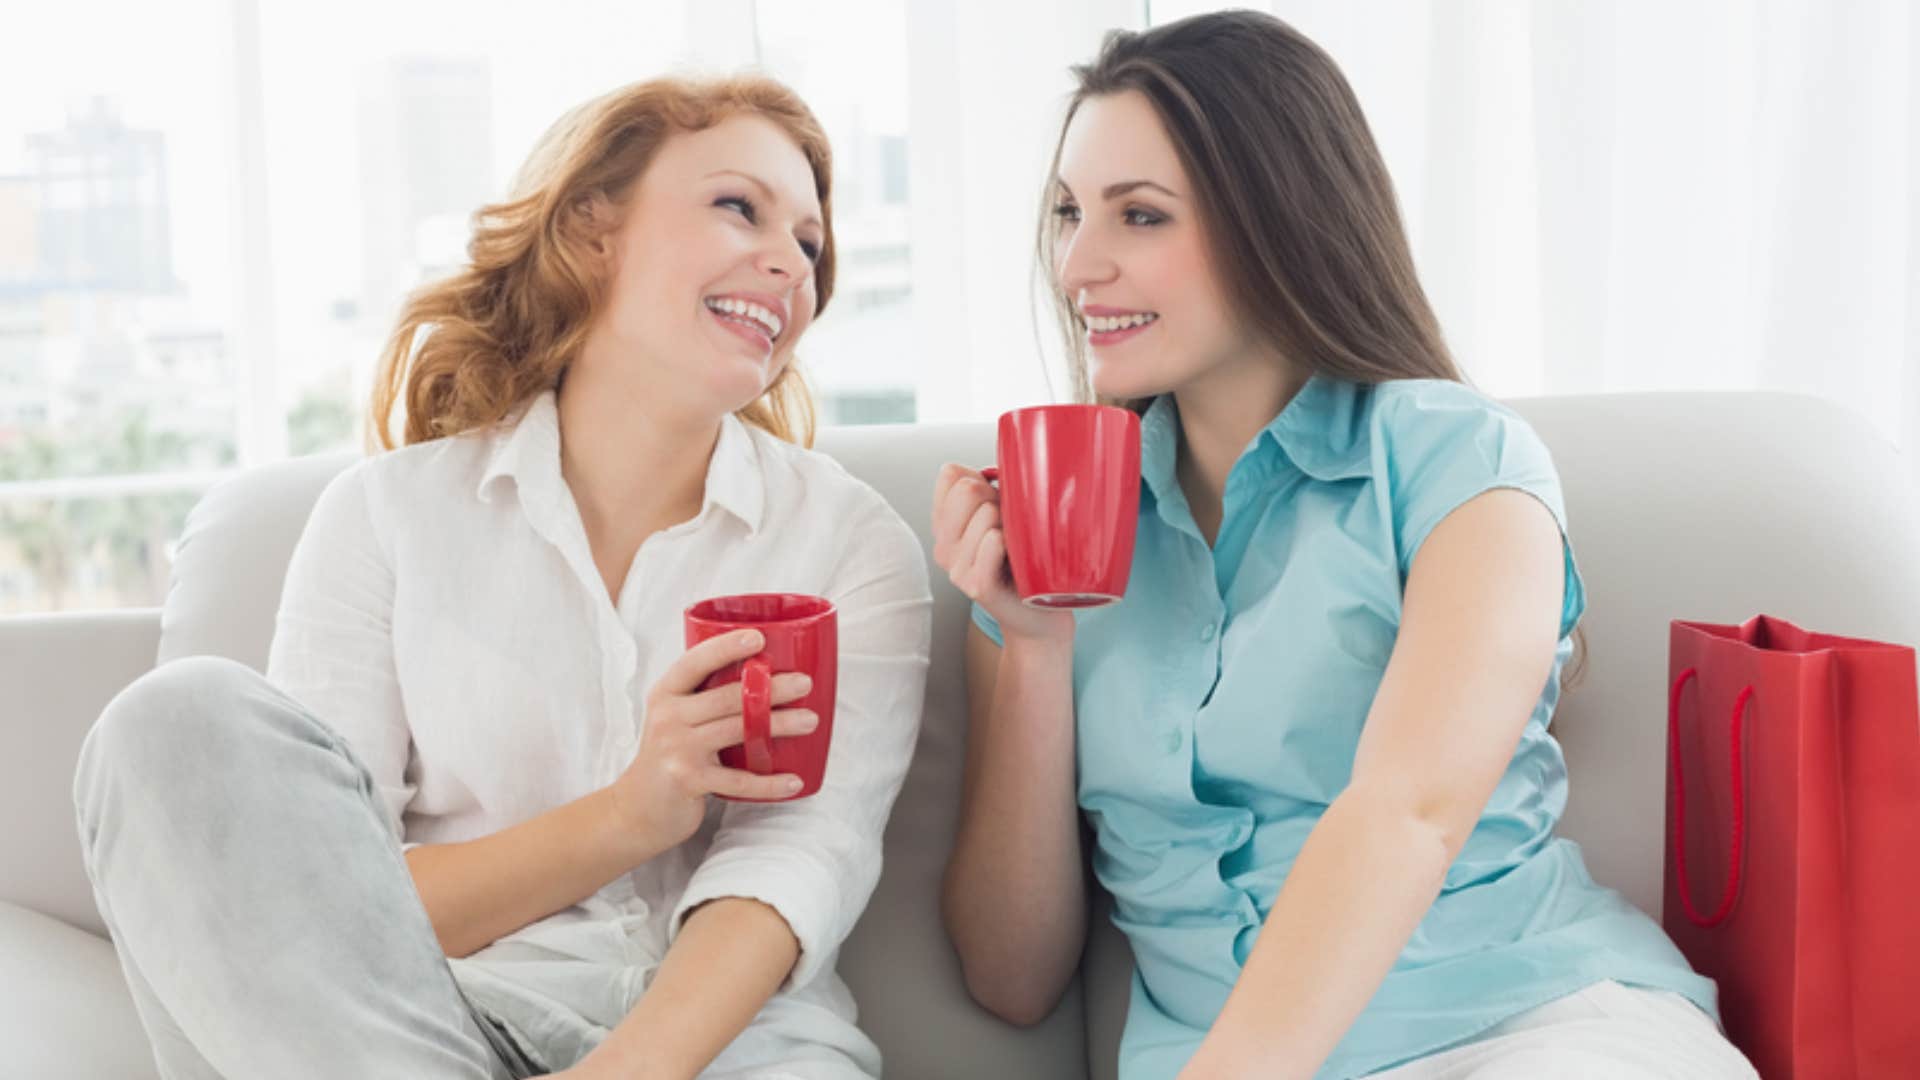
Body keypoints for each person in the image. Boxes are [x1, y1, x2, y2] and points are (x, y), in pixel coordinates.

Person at [933, 13, 1755, 1079]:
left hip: (1531, 1028)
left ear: (1280, 221)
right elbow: (1012, 975)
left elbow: (1405, 813)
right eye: (1066, 214)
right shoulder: (1044, 532)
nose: (1078, 263)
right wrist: (1033, 648)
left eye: (1139, 216)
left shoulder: (1463, 465)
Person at [75, 73, 931, 1080]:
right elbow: (327, 905)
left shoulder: (848, 543)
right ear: (593, 229)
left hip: (734, 1055)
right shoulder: (386, 517)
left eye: (811, 246)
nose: (789, 261)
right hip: (430, 1035)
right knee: (171, 720)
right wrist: (626, 816)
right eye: (739, 206)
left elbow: (798, 864)